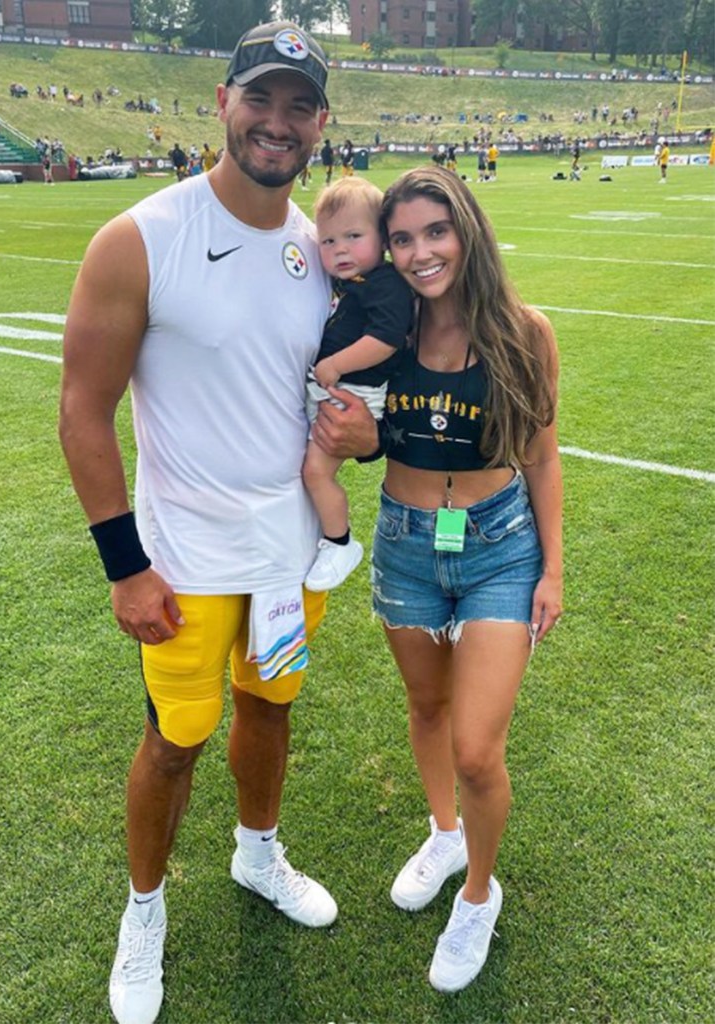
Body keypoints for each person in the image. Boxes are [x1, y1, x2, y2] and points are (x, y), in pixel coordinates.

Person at [59, 21, 338, 1024]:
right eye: (258, 98)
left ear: (319, 122)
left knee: (270, 708)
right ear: (222, 102)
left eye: (297, 104)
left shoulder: (321, 249)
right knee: (174, 740)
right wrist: (123, 567)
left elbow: (316, 396)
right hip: (181, 559)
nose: (276, 122)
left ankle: (256, 852)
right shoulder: (140, 238)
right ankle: (144, 911)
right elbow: (82, 411)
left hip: (288, 555)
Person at [331, 166, 562, 993]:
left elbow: (540, 452)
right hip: (404, 543)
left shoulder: (523, 332)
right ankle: (443, 835)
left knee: (476, 748)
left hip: (500, 546)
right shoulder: (380, 336)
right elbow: (360, 443)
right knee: (425, 708)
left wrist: (553, 569)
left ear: (466, 231)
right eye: (401, 238)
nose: (420, 252)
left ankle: (476, 891)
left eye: (435, 231)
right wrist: (351, 435)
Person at [303, 177, 413, 591]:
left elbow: (385, 340)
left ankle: (339, 542)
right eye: (328, 241)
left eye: (353, 236)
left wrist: (334, 364)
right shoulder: (349, 283)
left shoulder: (385, 283)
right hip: (333, 388)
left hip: (354, 394)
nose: (340, 249)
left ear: (382, 238)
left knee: (316, 471)